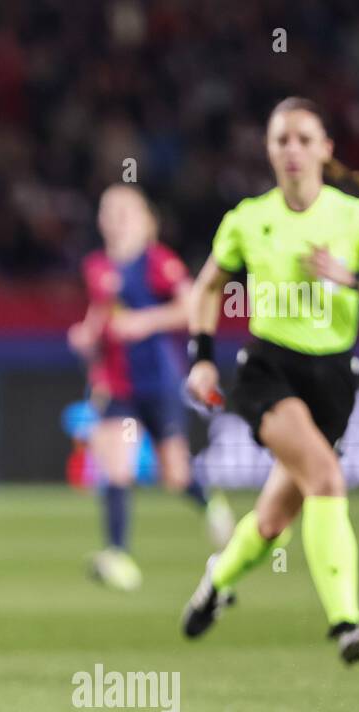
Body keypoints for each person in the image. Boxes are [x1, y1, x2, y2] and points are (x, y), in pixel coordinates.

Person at [181, 97, 359, 663]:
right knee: (326, 475)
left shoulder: (352, 217)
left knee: (271, 521)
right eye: (280, 139)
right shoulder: (248, 218)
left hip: (333, 381)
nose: (291, 149)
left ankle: (217, 583)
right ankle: (345, 622)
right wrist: (202, 357)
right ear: (268, 150)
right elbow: (207, 287)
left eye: (302, 139)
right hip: (268, 370)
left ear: (325, 150)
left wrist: (353, 278)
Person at [68, 184, 234, 591]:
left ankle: (211, 504)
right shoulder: (96, 266)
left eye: (125, 210)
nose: (116, 218)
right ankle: (118, 556)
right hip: (116, 384)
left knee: (175, 474)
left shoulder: (158, 261)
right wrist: (87, 336)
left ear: (144, 219)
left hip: (159, 381)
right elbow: (101, 316)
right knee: (116, 466)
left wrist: (145, 322)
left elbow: (192, 305)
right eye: (109, 210)